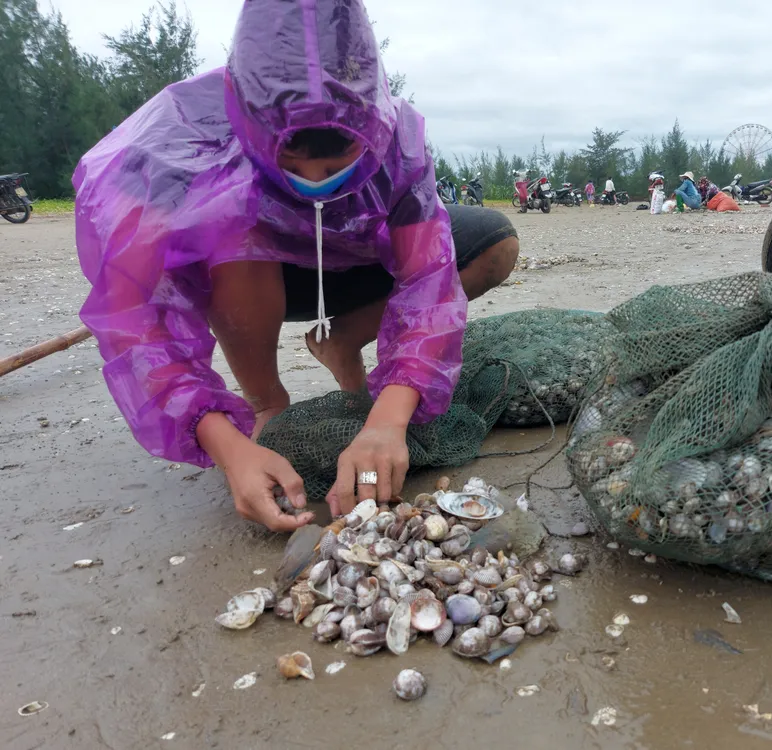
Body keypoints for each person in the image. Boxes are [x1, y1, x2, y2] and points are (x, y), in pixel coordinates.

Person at [72, 0, 519, 533]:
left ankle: (342, 340)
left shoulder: (398, 137)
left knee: (495, 242)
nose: (315, 179)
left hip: (354, 257)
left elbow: (428, 280)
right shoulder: (170, 146)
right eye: (290, 163)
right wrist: (223, 442)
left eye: (336, 165)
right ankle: (266, 404)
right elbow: (136, 319)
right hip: (254, 276)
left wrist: (388, 419)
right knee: (235, 233)